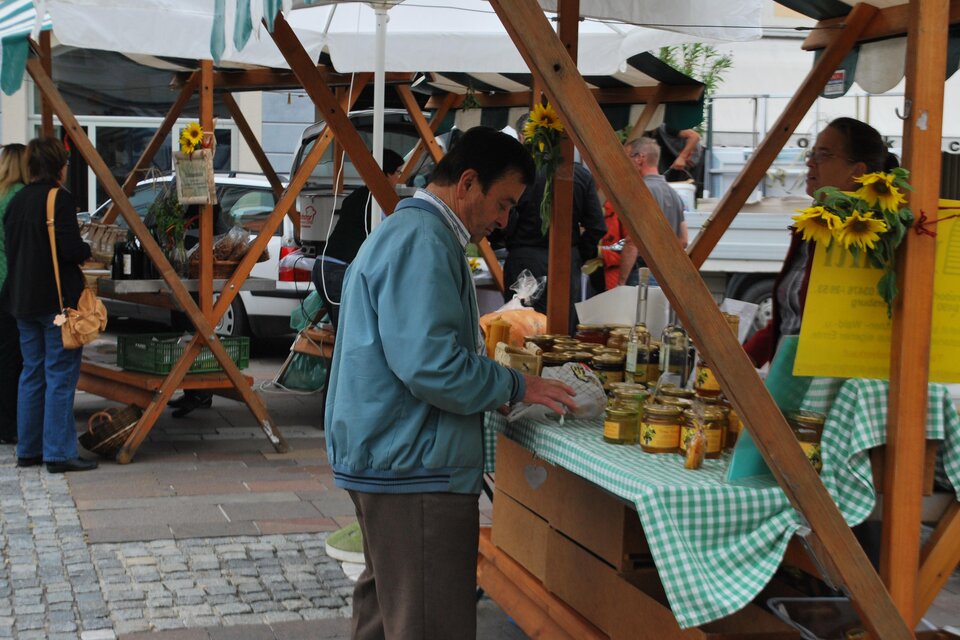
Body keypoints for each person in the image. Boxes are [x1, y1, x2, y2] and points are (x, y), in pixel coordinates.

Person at [325, 126, 577, 640]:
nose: (503, 220)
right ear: (466, 183)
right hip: (414, 464)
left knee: (387, 611)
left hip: (392, 455)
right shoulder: (423, 240)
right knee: (427, 621)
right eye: (503, 204)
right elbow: (432, 365)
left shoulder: (412, 232)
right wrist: (515, 386)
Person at [743, 117, 898, 368]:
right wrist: (743, 358)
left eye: (823, 154)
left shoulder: (875, 236)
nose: (810, 162)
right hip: (788, 374)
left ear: (857, 171)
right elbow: (790, 318)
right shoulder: (814, 227)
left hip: (829, 378)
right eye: (812, 153)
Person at [3, 137, 97, 473]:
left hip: (22, 300)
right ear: (60, 166)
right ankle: (58, 453)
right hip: (56, 304)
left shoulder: (16, 200)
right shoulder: (58, 198)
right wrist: (87, 250)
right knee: (60, 375)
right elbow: (70, 250)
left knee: (32, 373)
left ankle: (29, 449)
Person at [497, 114, 605, 331]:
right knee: (561, 328)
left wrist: (506, 239)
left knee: (522, 326)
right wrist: (577, 254)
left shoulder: (520, 174)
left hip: (526, 258)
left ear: (522, 137)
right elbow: (596, 226)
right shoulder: (579, 174)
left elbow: (505, 219)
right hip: (566, 259)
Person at [311, 148, 405, 330]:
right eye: (398, 172)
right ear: (387, 173)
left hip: (322, 266)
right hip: (340, 270)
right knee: (347, 333)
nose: (399, 178)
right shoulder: (380, 202)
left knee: (341, 331)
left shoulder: (355, 196)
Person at [615, 136, 689, 286]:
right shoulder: (674, 194)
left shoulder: (641, 192)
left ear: (640, 158)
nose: (624, 164)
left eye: (627, 157)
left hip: (642, 274)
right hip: (666, 275)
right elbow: (683, 240)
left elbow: (633, 242)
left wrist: (621, 283)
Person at [0, 144, 29, 444]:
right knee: (13, 357)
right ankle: (9, 424)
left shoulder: (0, 193)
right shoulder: (20, 195)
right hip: (10, 282)